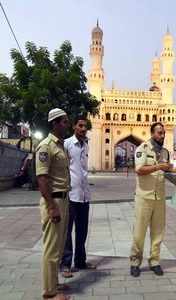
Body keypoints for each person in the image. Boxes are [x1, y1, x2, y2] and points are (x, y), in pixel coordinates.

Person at [36, 108, 71, 300]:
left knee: (58, 246)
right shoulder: (46, 146)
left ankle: (54, 284)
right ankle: (49, 293)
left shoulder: (60, 146)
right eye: (64, 122)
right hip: (54, 200)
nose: (67, 125)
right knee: (51, 248)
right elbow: (41, 178)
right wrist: (51, 206)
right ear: (55, 123)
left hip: (63, 199)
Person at [129, 122, 172, 277]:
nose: (162, 135)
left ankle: (154, 261)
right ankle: (135, 262)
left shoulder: (166, 153)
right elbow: (139, 170)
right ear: (152, 133)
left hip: (159, 197)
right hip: (144, 197)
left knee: (158, 232)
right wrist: (159, 166)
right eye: (159, 133)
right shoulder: (142, 149)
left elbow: (165, 172)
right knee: (139, 233)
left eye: (163, 133)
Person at [60, 115, 96, 278]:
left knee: (82, 231)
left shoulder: (86, 145)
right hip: (70, 194)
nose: (83, 129)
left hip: (84, 195)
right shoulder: (66, 144)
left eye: (85, 126)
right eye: (80, 125)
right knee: (67, 232)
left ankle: (80, 261)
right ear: (74, 126)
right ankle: (65, 264)